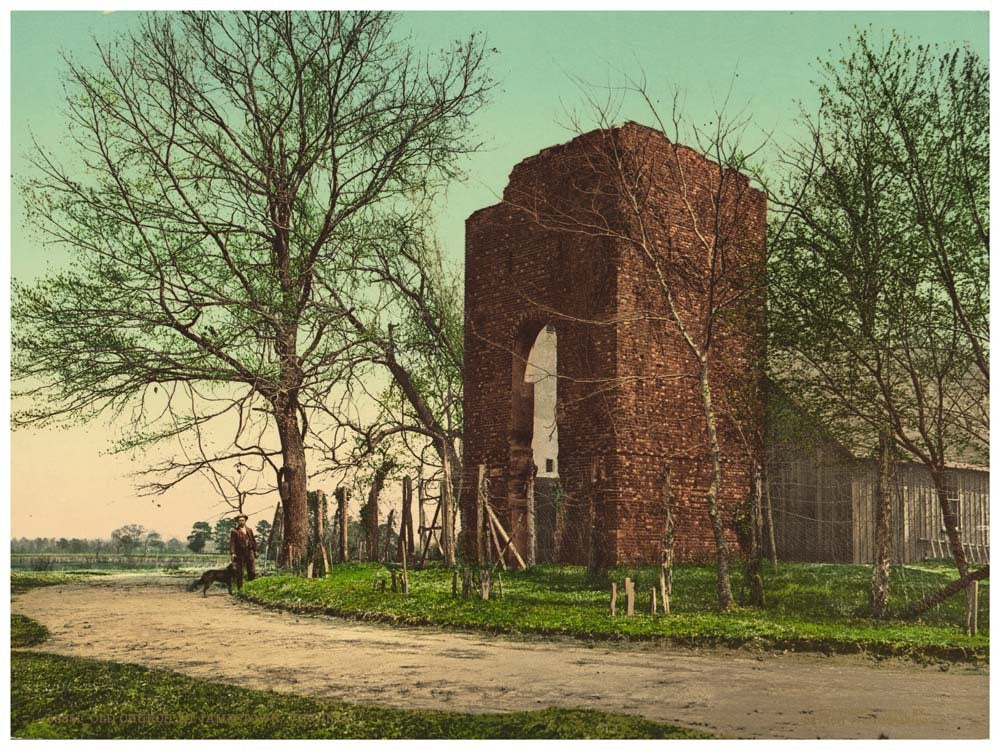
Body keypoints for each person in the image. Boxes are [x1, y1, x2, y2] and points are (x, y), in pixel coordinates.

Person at [229, 514, 258, 589]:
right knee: (240, 571)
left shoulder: (249, 530)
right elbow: (232, 543)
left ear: (245, 521)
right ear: (237, 521)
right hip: (240, 553)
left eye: (243, 520)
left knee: (252, 570)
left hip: (249, 552)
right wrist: (232, 553)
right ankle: (240, 589)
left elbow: (253, 540)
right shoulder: (234, 531)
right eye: (240, 520)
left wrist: (255, 550)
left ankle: (251, 587)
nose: (241, 522)